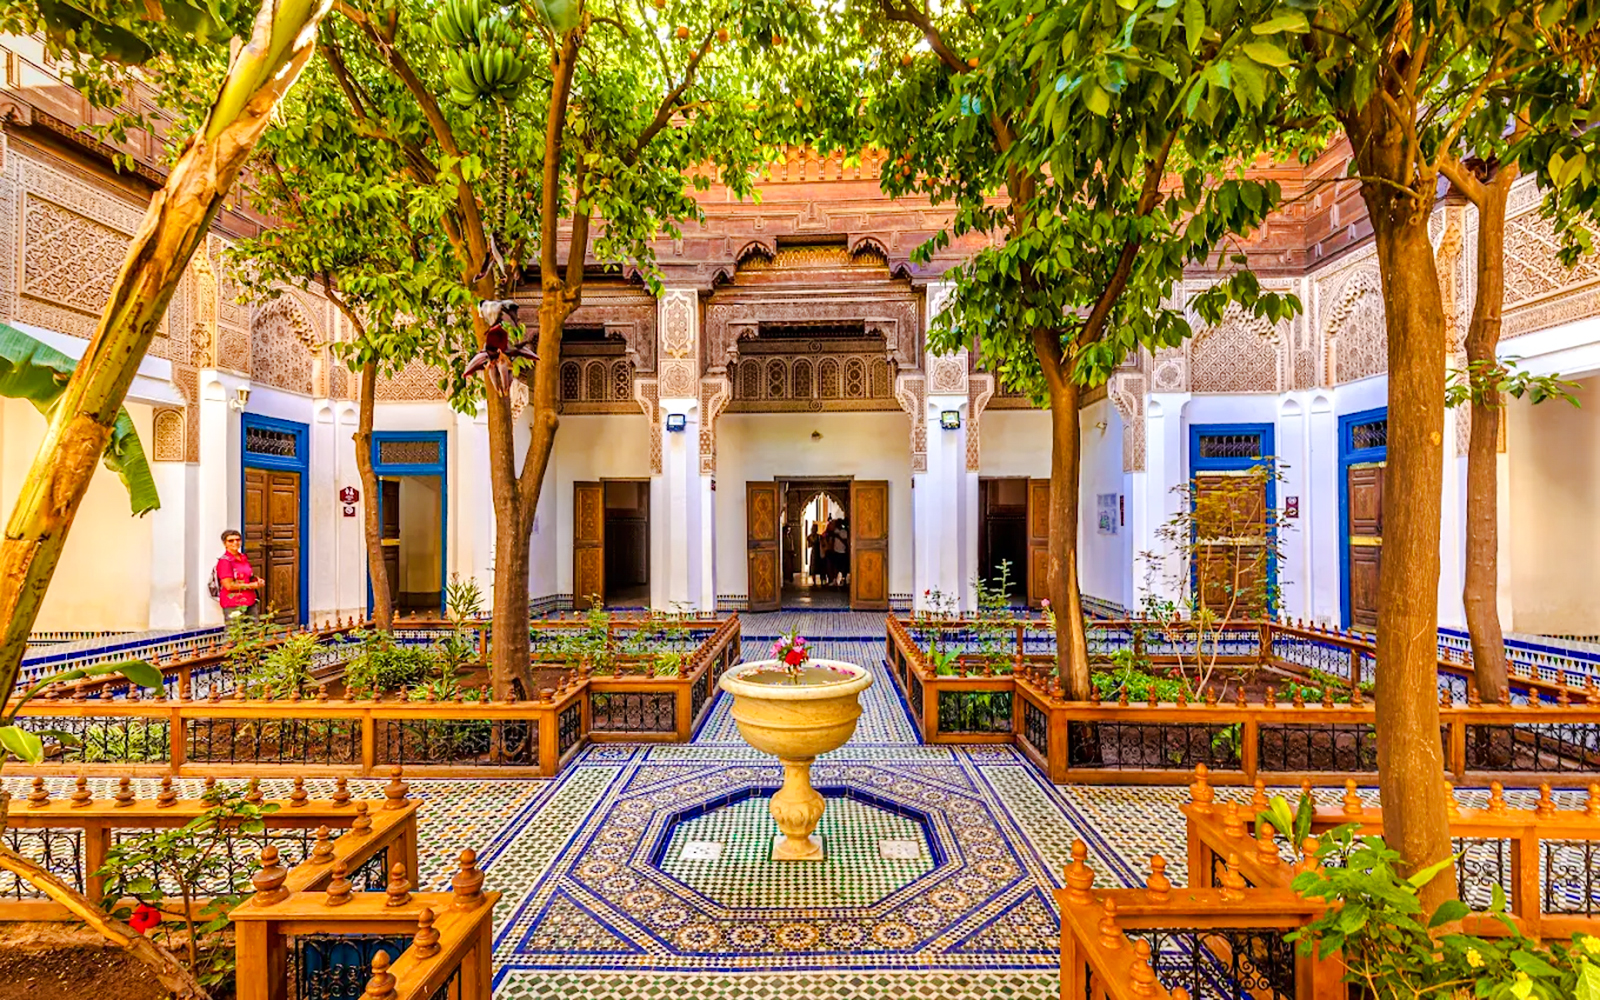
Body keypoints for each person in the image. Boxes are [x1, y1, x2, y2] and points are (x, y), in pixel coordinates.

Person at [215, 528, 264, 618]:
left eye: (237, 540)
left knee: (253, 630)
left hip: (249, 600)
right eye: (231, 541)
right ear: (225, 543)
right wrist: (252, 585)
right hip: (234, 602)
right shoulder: (225, 562)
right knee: (236, 630)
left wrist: (256, 579)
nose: (235, 543)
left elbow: (246, 575)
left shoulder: (243, 557)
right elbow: (229, 586)